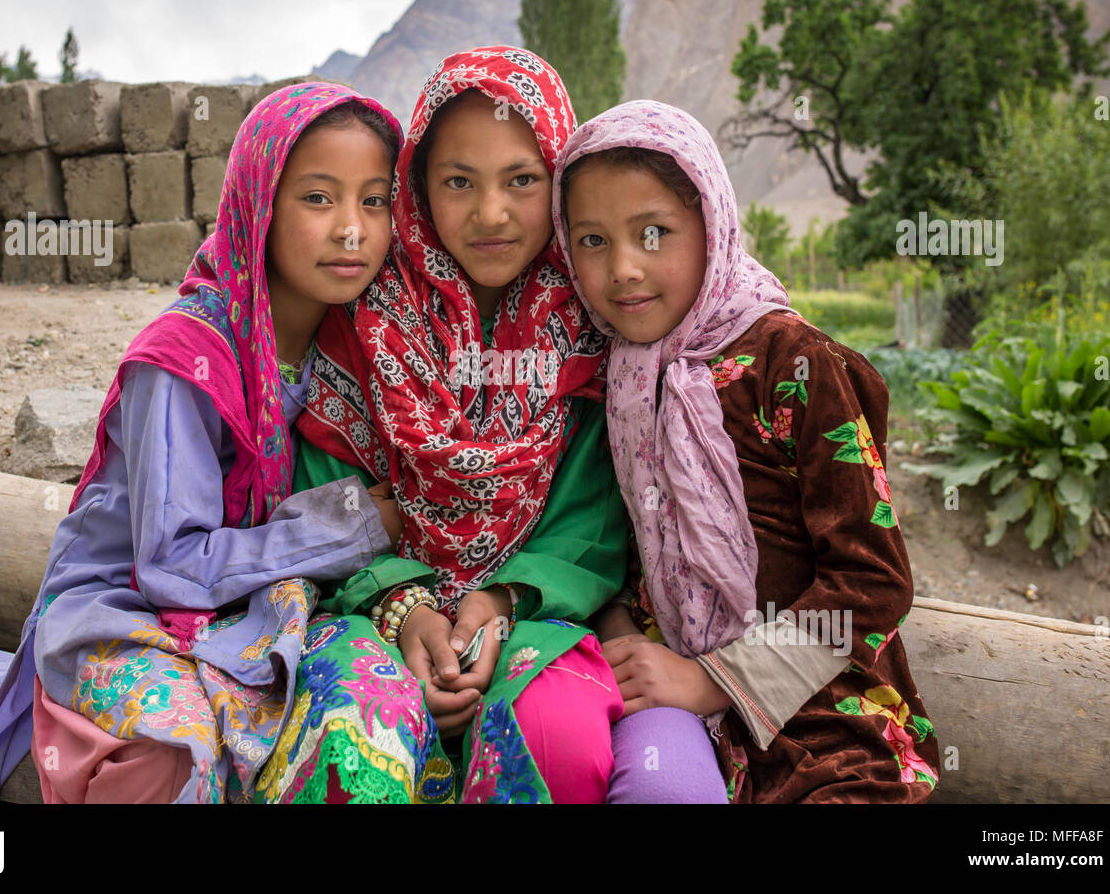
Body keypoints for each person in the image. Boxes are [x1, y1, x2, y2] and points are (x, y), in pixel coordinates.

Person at [0, 82, 405, 803]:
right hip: (125, 610)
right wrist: (353, 526)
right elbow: (169, 563)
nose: (352, 229)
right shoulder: (186, 360)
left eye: (375, 200)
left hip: (242, 603)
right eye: (319, 199)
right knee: (178, 753)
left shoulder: (348, 345)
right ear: (257, 204)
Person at [251, 46, 629, 804]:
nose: (490, 214)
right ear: (418, 188)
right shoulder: (361, 319)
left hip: (536, 615)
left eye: (522, 180)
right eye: (458, 182)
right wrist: (404, 602)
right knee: (352, 739)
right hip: (365, 606)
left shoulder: (590, 330)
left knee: (557, 737)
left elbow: (594, 515)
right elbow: (328, 492)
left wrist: (501, 603)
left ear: (558, 183)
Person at [551, 99, 940, 803]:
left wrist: (713, 680)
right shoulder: (618, 378)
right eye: (592, 241)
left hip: (822, 717)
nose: (624, 269)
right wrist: (623, 637)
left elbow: (874, 582)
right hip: (680, 716)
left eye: (653, 232)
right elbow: (624, 553)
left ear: (713, 225)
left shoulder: (796, 364)